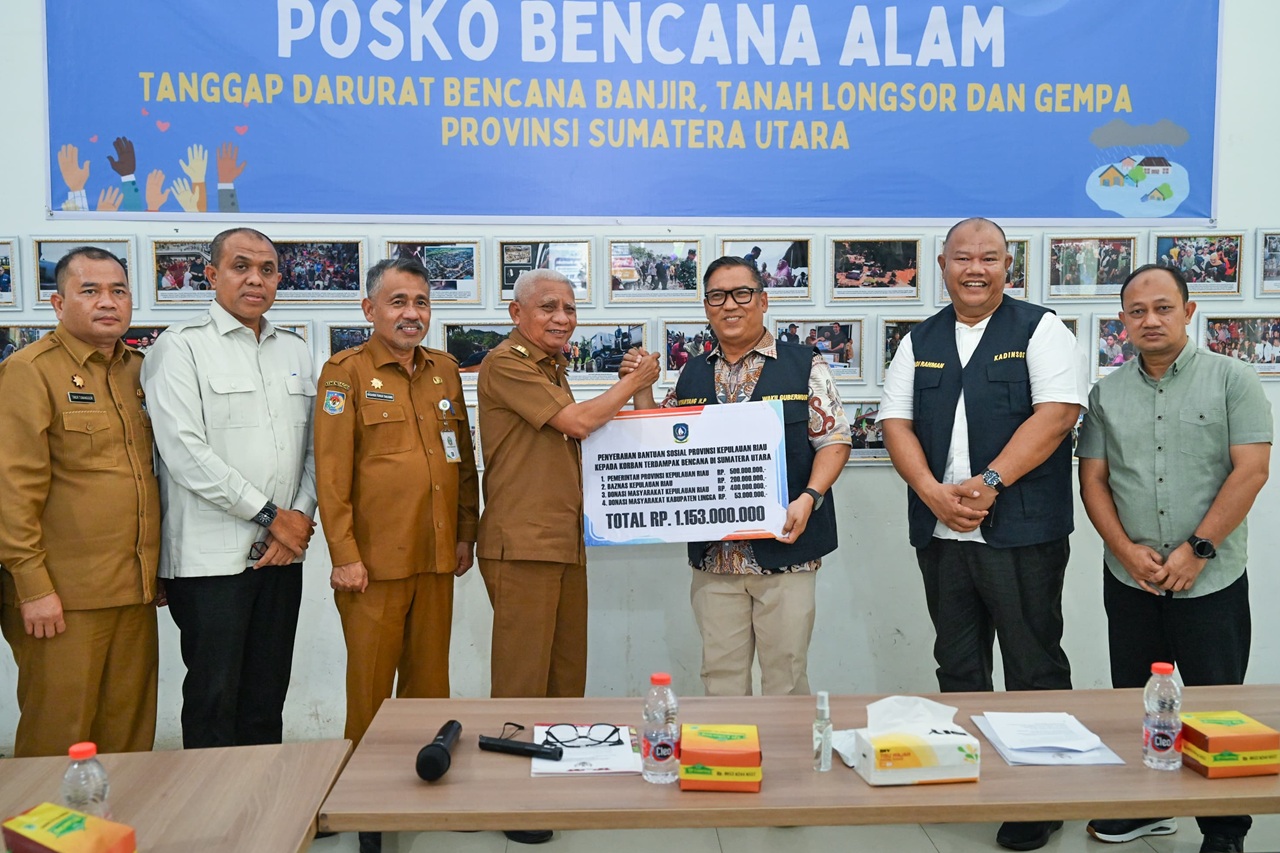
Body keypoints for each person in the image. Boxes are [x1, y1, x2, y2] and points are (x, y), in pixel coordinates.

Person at [879, 218, 1087, 853]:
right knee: (958, 664)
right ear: (942, 264)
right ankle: (972, 781)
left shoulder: (1041, 329)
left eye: (989, 258)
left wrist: (991, 481)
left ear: (1007, 266)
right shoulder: (919, 339)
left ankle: (1039, 800)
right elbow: (895, 423)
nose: (975, 269)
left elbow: (1058, 415)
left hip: (1021, 533)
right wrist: (930, 491)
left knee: (1032, 664)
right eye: (963, 258)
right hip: (942, 533)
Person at [1077, 265, 1272, 853]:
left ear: (1188, 312)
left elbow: (1251, 470)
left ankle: (1224, 830)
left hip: (1211, 579)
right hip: (1131, 578)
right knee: (1133, 700)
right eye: (1137, 312)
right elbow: (1093, 480)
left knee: (1218, 705)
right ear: (1123, 321)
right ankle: (1147, 807)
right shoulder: (1106, 393)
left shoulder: (1233, 379)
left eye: (1163, 308)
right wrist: (1123, 550)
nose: (1150, 320)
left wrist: (1198, 550)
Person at [477, 268, 658, 844]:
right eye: (548, 307)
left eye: (570, 308)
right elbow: (579, 423)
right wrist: (635, 383)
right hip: (522, 544)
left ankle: (550, 787)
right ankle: (513, 803)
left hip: (561, 541)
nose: (562, 318)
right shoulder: (507, 363)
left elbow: (594, 431)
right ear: (517, 313)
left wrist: (632, 388)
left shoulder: (551, 367)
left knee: (563, 678)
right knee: (521, 682)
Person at [626, 256, 851, 697]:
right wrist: (640, 388)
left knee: (786, 678)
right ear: (706, 307)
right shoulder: (692, 372)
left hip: (788, 550)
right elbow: (658, 445)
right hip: (715, 559)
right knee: (720, 680)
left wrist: (810, 496)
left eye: (741, 294)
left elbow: (834, 440)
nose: (729, 305)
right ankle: (728, 747)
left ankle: (786, 748)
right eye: (717, 296)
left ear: (762, 301)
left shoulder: (804, 364)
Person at [314, 257, 478, 853]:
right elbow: (331, 474)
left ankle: (426, 788)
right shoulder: (345, 374)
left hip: (436, 556)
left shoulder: (444, 371)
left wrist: (465, 532)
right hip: (373, 567)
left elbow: (463, 459)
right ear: (370, 309)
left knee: (431, 684)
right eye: (398, 302)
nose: (412, 314)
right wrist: (344, 554)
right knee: (370, 690)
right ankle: (365, 809)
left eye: (421, 302)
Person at [141, 227, 317, 749]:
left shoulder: (295, 351)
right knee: (213, 699)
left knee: (267, 698)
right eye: (241, 267)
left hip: (281, 556)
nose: (255, 279)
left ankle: (263, 799)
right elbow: (185, 454)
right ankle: (213, 803)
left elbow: (315, 450)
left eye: (267, 269)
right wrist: (271, 516)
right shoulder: (180, 347)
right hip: (210, 563)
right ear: (212, 275)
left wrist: (298, 519)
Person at [0, 247, 161, 758]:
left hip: (134, 591)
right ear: (58, 303)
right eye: (89, 291)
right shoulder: (30, 371)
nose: (107, 302)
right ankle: (44, 819)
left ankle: (118, 814)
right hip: (63, 598)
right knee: (58, 738)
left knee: (129, 736)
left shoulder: (141, 371)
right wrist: (32, 586)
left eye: (118, 291)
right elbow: (12, 488)